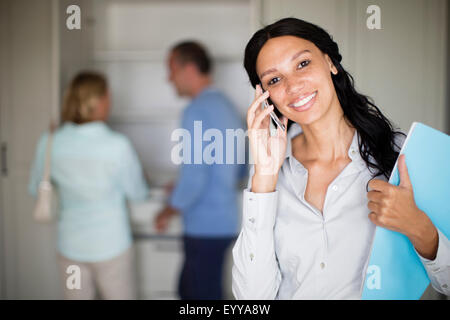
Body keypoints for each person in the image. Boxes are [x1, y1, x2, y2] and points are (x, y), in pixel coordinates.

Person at [232, 17, 450, 299]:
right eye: (274, 79)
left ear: (330, 62)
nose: (293, 85)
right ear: (265, 97)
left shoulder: (404, 157)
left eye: (303, 64)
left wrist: (419, 227)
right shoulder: (271, 178)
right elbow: (252, 300)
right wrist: (263, 178)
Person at [29, 72, 150, 299]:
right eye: (108, 95)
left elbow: (35, 187)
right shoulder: (117, 145)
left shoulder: (50, 141)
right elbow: (138, 193)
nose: (111, 101)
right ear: (98, 101)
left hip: (71, 248)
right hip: (111, 249)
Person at [154, 41, 247, 300]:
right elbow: (239, 168)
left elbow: (196, 176)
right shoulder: (228, 107)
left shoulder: (196, 111)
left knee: (196, 296)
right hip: (225, 221)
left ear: (190, 68)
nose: (169, 78)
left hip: (204, 226)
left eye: (172, 69)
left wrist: (169, 207)